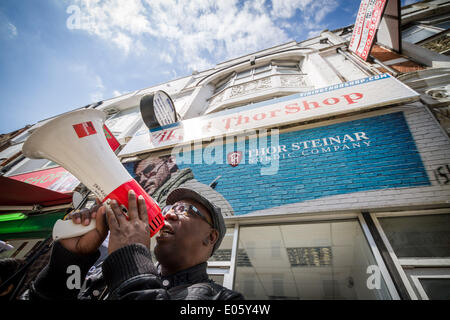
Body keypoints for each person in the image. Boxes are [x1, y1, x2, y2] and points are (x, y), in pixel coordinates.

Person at [21, 188, 244, 300]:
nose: (168, 216)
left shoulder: (223, 299)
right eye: (166, 210)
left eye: (185, 210)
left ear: (211, 237)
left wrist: (131, 261)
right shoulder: (102, 273)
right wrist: (68, 262)